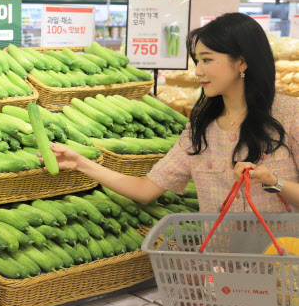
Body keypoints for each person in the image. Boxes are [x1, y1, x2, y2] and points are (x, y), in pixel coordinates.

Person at [47, 13, 299, 213]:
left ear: (242, 62)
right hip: (221, 265)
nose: (198, 71)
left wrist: (273, 181)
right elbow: (146, 189)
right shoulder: (200, 129)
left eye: (207, 60)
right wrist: (81, 163)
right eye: (196, 60)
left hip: (282, 263)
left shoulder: (290, 115)